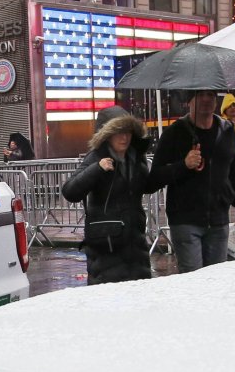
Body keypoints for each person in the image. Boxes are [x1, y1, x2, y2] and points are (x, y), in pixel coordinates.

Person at [59, 107, 167, 284]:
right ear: (107, 135)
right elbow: (70, 191)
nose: (124, 137)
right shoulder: (96, 157)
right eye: (118, 132)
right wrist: (97, 169)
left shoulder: (136, 158)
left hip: (135, 243)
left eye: (127, 132)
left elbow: (147, 186)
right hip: (106, 245)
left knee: (137, 297)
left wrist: (177, 168)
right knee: (109, 301)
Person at [153, 90, 235, 271]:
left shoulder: (227, 131)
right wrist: (183, 165)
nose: (206, 99)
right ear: (189, 101)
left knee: (216, 281)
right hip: (185, 220)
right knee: (194, 281)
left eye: (210, 95)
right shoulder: (175, 133)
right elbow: (153, 180)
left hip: (219, 220)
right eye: (200, 95)